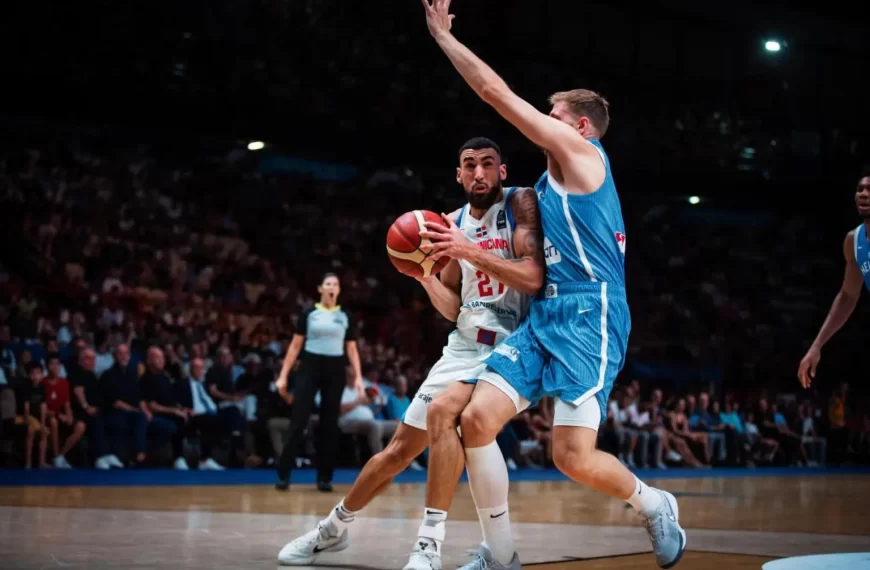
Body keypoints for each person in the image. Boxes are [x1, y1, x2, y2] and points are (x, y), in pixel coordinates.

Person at [413, 2, 686, 568]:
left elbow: (495, 94)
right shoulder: (541, 183)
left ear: (579, 126)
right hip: (543, 314)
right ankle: (502, 553)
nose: (544, 119)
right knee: (474, 420)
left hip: (592, 314)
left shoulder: (585, 157)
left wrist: (442, 38)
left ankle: (654, 503)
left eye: (553, 114)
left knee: (571, 457)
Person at [277, 137, 544, 569]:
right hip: (463, 345)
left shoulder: (520, 204)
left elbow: (533, 277)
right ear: (458, 175)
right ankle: (332, 529)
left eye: (488, 164)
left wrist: (466, 249)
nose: (479, 173)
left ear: (502, 171)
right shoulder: (450, 222)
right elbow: (456, 306)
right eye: (470, 165)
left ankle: (429, 547)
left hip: (511, 347)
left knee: (443, 413)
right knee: (397, 452)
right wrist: (424, 276)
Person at [275, 273, 364, 492]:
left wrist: (359, 376)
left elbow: (351, 348)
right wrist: (283, 375)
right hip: (309, 367)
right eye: (328, 284)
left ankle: (324, 478)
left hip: (335, 370)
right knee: (299, 420)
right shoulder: (309, 314)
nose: (331, 287)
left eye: (335, 284)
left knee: (329, 424)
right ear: (320, 289)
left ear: (339, 290)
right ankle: (284, 475)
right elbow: (295, 346)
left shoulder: (345, 316)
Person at [798, 172, 870, 388]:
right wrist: (817, 345)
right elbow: (848, 296)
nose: (864, 194)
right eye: (860, 189)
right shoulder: (854, 241)